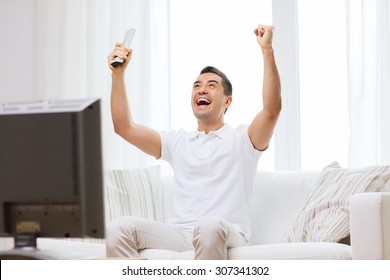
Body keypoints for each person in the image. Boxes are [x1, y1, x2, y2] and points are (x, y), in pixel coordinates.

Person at [106, 24, 281, 260]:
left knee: (208, 226)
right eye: (197, 86)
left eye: (212, 86)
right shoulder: (177, 142)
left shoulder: (243, 140)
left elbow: (271, 110)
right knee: (119, 228)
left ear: (228, 101)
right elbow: (124, 128)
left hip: (227, 233)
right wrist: (118, 74)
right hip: (181, 234)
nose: (202, 90)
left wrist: (267, 50)